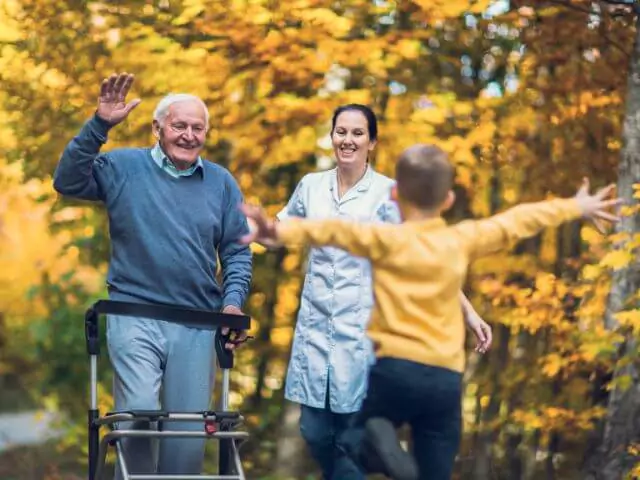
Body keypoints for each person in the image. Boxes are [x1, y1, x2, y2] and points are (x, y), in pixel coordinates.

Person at [239, 144, 620, 480]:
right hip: (443, 380)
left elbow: (328, 231)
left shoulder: (383, 238)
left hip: (393, 372)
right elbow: (517, 221)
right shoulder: (460, 240)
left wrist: (274, 232)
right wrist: (577, 206)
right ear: (448, 200)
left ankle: (383, 448)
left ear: (393, 194)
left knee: (351, 439)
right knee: (434, 470)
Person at [275, 105, 491, 480]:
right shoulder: (310, 186)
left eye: (358, 133)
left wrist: (468, 312)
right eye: (341, 131)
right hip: (313, 335)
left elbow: (425, 254)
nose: (348, 140)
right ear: (331, 136)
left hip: (363, 336)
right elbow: (278, 230)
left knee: (351, 437)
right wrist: (238, 231)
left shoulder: (388, 194)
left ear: (372, 142)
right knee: (314, 431)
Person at [52, 73, 252, 477]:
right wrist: (100, 125)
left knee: (187, 434)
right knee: (137, 418)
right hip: (134, 313)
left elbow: (236, 251)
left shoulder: (221, 182)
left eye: (198, 128)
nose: (189, 135)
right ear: (157, 128)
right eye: (179, 125)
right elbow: (67, 180)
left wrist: (232, 302)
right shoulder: (124, 165)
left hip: (198, 322)